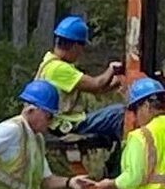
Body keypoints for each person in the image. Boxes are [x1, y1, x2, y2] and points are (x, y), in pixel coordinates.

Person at [35, 15, 124, 143]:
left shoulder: (52, 62)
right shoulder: (58, 69)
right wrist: (111, 69)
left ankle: (112, 155)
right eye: (81, 48)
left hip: (63, 123)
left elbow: (97, 90)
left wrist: (117, 81)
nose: (81, 53)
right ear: (76, 46)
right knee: (119, 114)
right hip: (64, 125)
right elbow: (96, 85)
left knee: (109, 124)